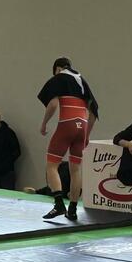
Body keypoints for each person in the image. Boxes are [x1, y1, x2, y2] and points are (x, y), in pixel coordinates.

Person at [37, 56, 100, 222]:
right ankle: (72, 210)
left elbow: (52, 104)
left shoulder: (60, 77)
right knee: (76, 169)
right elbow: (94, 113)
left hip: (68, 123)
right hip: (83, 125)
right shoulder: (82, 81)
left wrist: (44, 123)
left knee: (52, 165)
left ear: (57, 68)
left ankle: (59, 204)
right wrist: (87, 135)